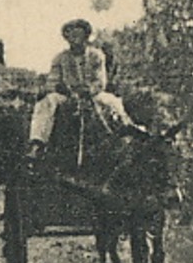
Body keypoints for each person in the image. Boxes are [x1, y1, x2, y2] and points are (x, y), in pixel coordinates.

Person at [27, 18, 138, 158]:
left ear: (86, 37)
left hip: (92, 94)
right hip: (68, 95)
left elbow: (100, 81)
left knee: (113, 101)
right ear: (66, 38)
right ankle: (38, 142)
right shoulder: (60, 58)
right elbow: (52, 81)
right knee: (47, 101)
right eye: (71, 36)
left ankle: (127, 130)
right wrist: (62, 88)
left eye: (78, 35)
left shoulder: (96, 55)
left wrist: (88, 91)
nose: (74, 40)